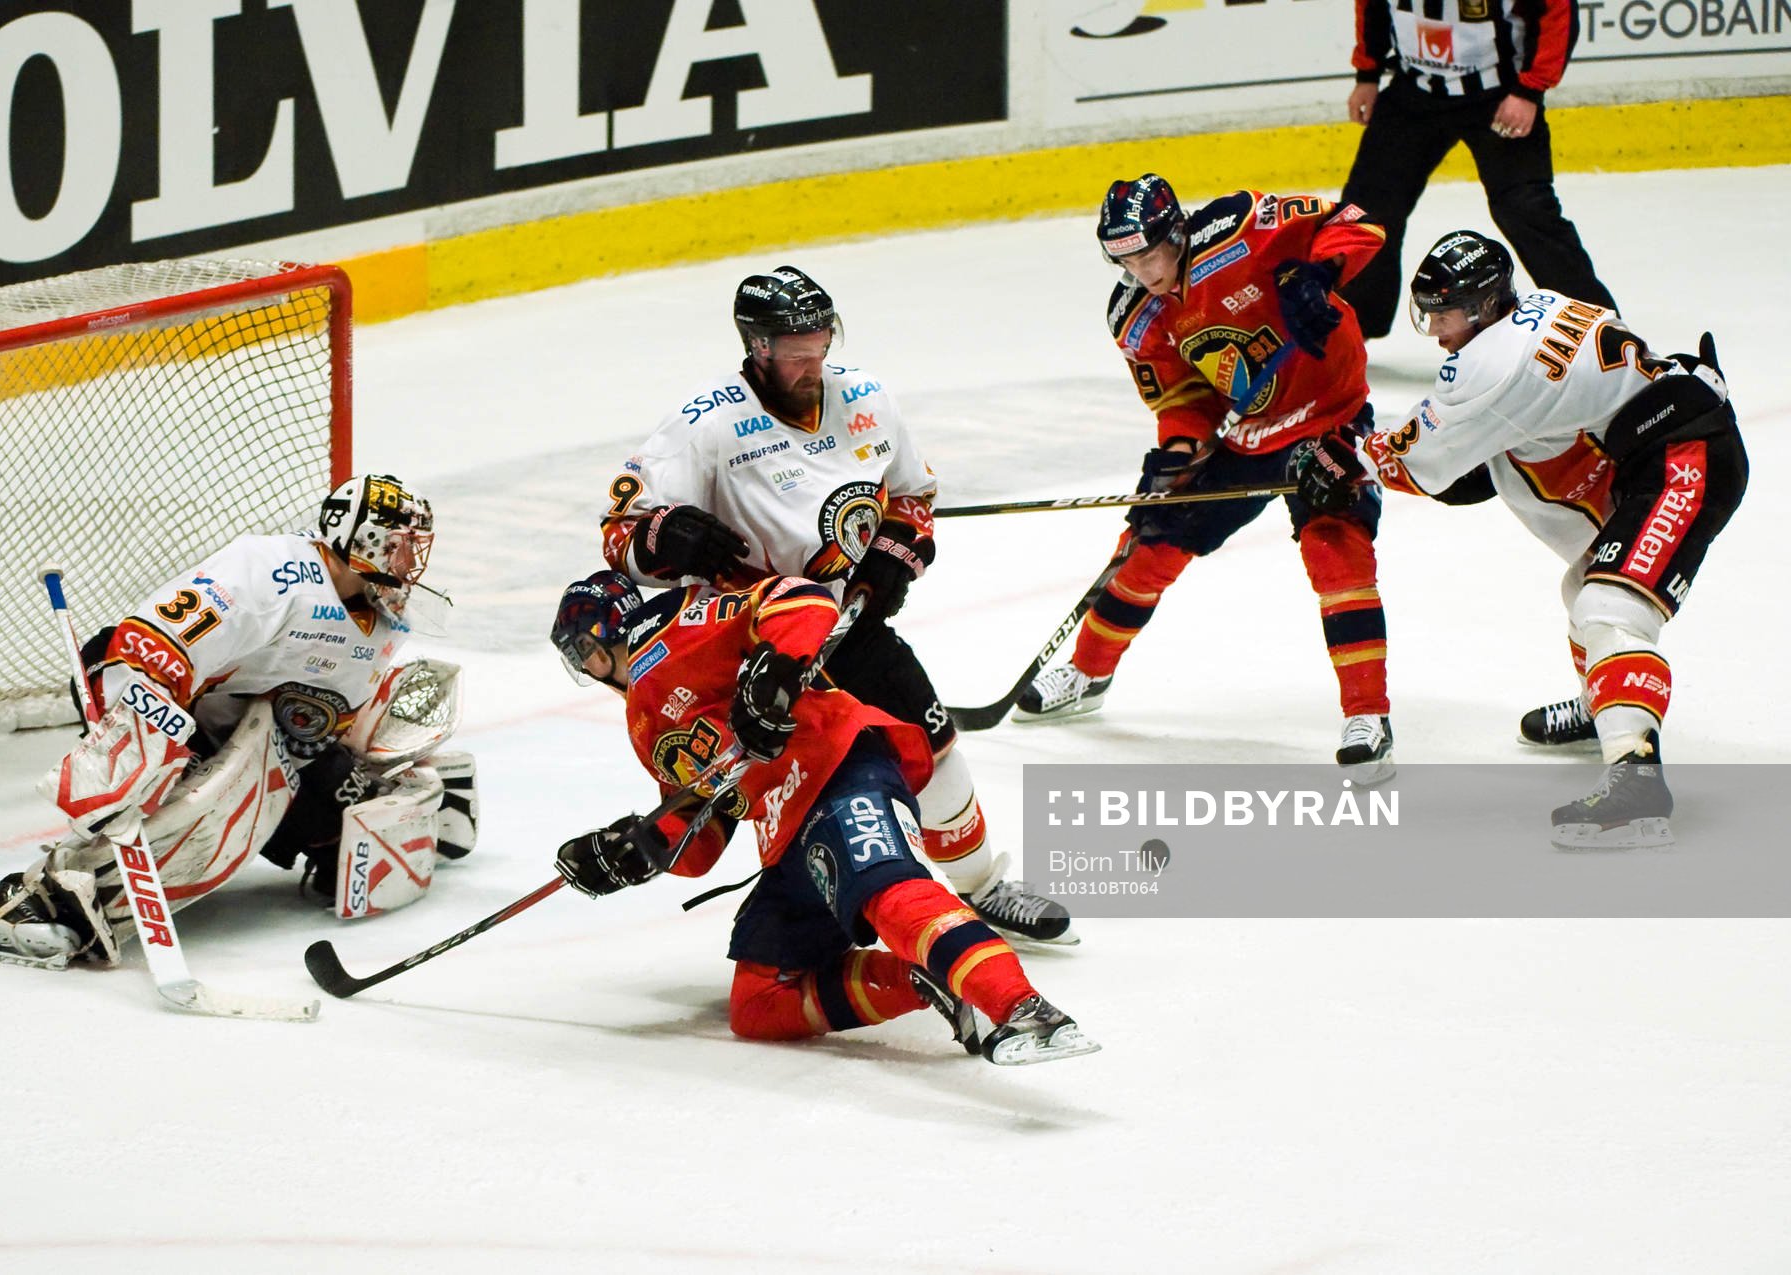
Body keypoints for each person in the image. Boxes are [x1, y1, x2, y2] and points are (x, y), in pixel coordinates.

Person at [596, 265, 1074, 944]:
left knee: (931, 738)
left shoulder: (868, 398)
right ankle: (798, 914)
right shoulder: (704, 426)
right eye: (795, 350)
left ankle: (981, 885)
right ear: (756, 347)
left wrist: (893, 558)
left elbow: (911, 498)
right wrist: (665, 533)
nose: (812, 362)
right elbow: (619, 533)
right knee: (753, 786)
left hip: (847, 626)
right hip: (752, 645)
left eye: (821, 342)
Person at [1290, 231, 1747, 847]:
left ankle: (1639, 788)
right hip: (1659, 441)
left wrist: (1349, 462)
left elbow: (1428, 457)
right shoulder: (1537, 309)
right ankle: (1605, 706)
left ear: (1482, 308)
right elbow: (1506, 437)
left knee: (1609, 606)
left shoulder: (1491, 364)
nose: (1436, 330)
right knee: (1583, 584)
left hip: (1683, 454)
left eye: (1443, 314)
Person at [547, 568, 1099, 1065]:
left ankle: (1023, 1007)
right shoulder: (644, 723)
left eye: (588, 652)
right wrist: (637, 849)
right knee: (759, 1004)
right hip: (787, 828)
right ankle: (929, 981)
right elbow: (703, 826)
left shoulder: (674, 622)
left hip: (838, 764)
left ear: (613, 627)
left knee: (889, 892)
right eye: (579, 662)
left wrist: (775, 670)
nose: (592, 670)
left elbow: (802, 599)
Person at [0, 474, 478, 968]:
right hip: (147, 683)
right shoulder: (273, 572)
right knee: (204, 809)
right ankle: (36, 900)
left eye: (416, 545)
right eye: (399, 544)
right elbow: (151, 646)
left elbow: (329, 714)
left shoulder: (385, 614)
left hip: (254, 724)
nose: (411, 560)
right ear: (359, 540)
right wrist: (144, 737)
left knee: (347, 822)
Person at [1018, 173, 1398, 783]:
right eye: (1125, 260)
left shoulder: (1240, 227)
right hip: (1246, 435)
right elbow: (1186, 395)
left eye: (1148, 254)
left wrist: (1317, 274)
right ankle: (1089, 671)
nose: (1141, 271)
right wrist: (1177, 450)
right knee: (1151, 542)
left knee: (1337, 550)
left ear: (1176, 233)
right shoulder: (1134, 314)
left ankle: (1368, 715)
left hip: (1331, 415)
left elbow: (1359, 221)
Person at [1338, 0, 1615, 340]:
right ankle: (1353, 326)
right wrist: (1367, 73)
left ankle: (1595, 328)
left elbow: (1557, 11)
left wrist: (1529, 90)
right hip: (1414, 92)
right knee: (1366, 210)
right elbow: (1373, 6)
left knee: (1524, 208)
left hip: (1499, 96)